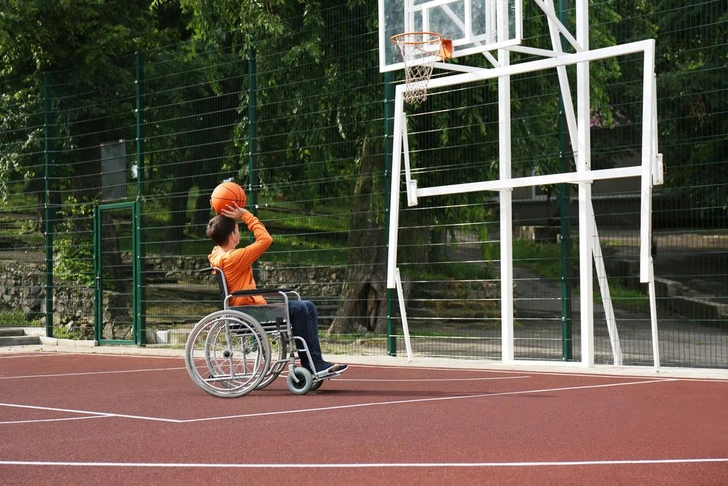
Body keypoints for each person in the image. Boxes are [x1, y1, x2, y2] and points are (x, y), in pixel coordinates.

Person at [205, 203, 347, 376]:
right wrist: (245, 215)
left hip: (242, 308)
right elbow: (266, 240)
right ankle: (312, 364)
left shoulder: (216, 254)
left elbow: (218, 236)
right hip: (249, 312)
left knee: (307, 305)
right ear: (233, 234)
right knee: (301, 309)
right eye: (237, 229)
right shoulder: (234, 257)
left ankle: (314, 362)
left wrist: (223, 219)